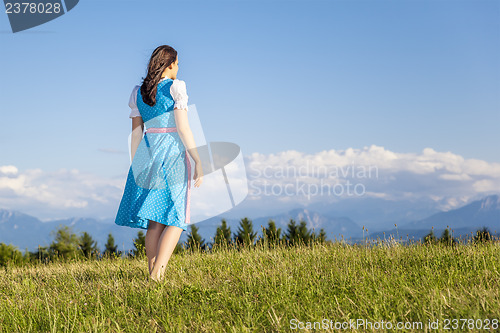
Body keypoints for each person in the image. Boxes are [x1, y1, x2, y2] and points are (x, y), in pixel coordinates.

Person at [114, 45, 203, 282]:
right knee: (177, 217)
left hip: (147, 152)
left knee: (155, 220)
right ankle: (157, 275)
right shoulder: (176, 87)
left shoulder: (138, 92)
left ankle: (154, 276)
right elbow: (183, 128)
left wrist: (137, 164)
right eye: (178, 63)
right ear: (171, 64)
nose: (179, 68)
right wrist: (197, 159)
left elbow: (135, 133)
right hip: (172, 152)